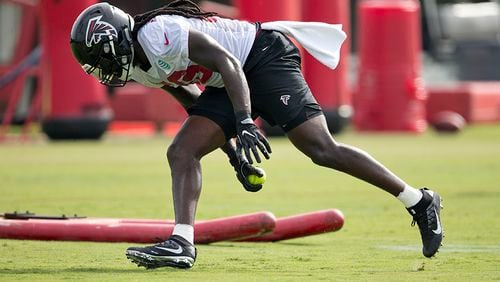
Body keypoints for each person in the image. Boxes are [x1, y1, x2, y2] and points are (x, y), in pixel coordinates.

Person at [70, 0, 443, 269]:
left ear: (115, 37)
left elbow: (227, 61)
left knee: (320, 148)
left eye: (101, 55)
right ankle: (182, 241)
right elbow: (186, 93)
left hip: (262, 57)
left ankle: (419, 200)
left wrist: (245, 120)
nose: (102, 67)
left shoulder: (159, 33)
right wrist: (232, 152)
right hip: (226, 82)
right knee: (182, 151)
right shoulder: (138, 63)